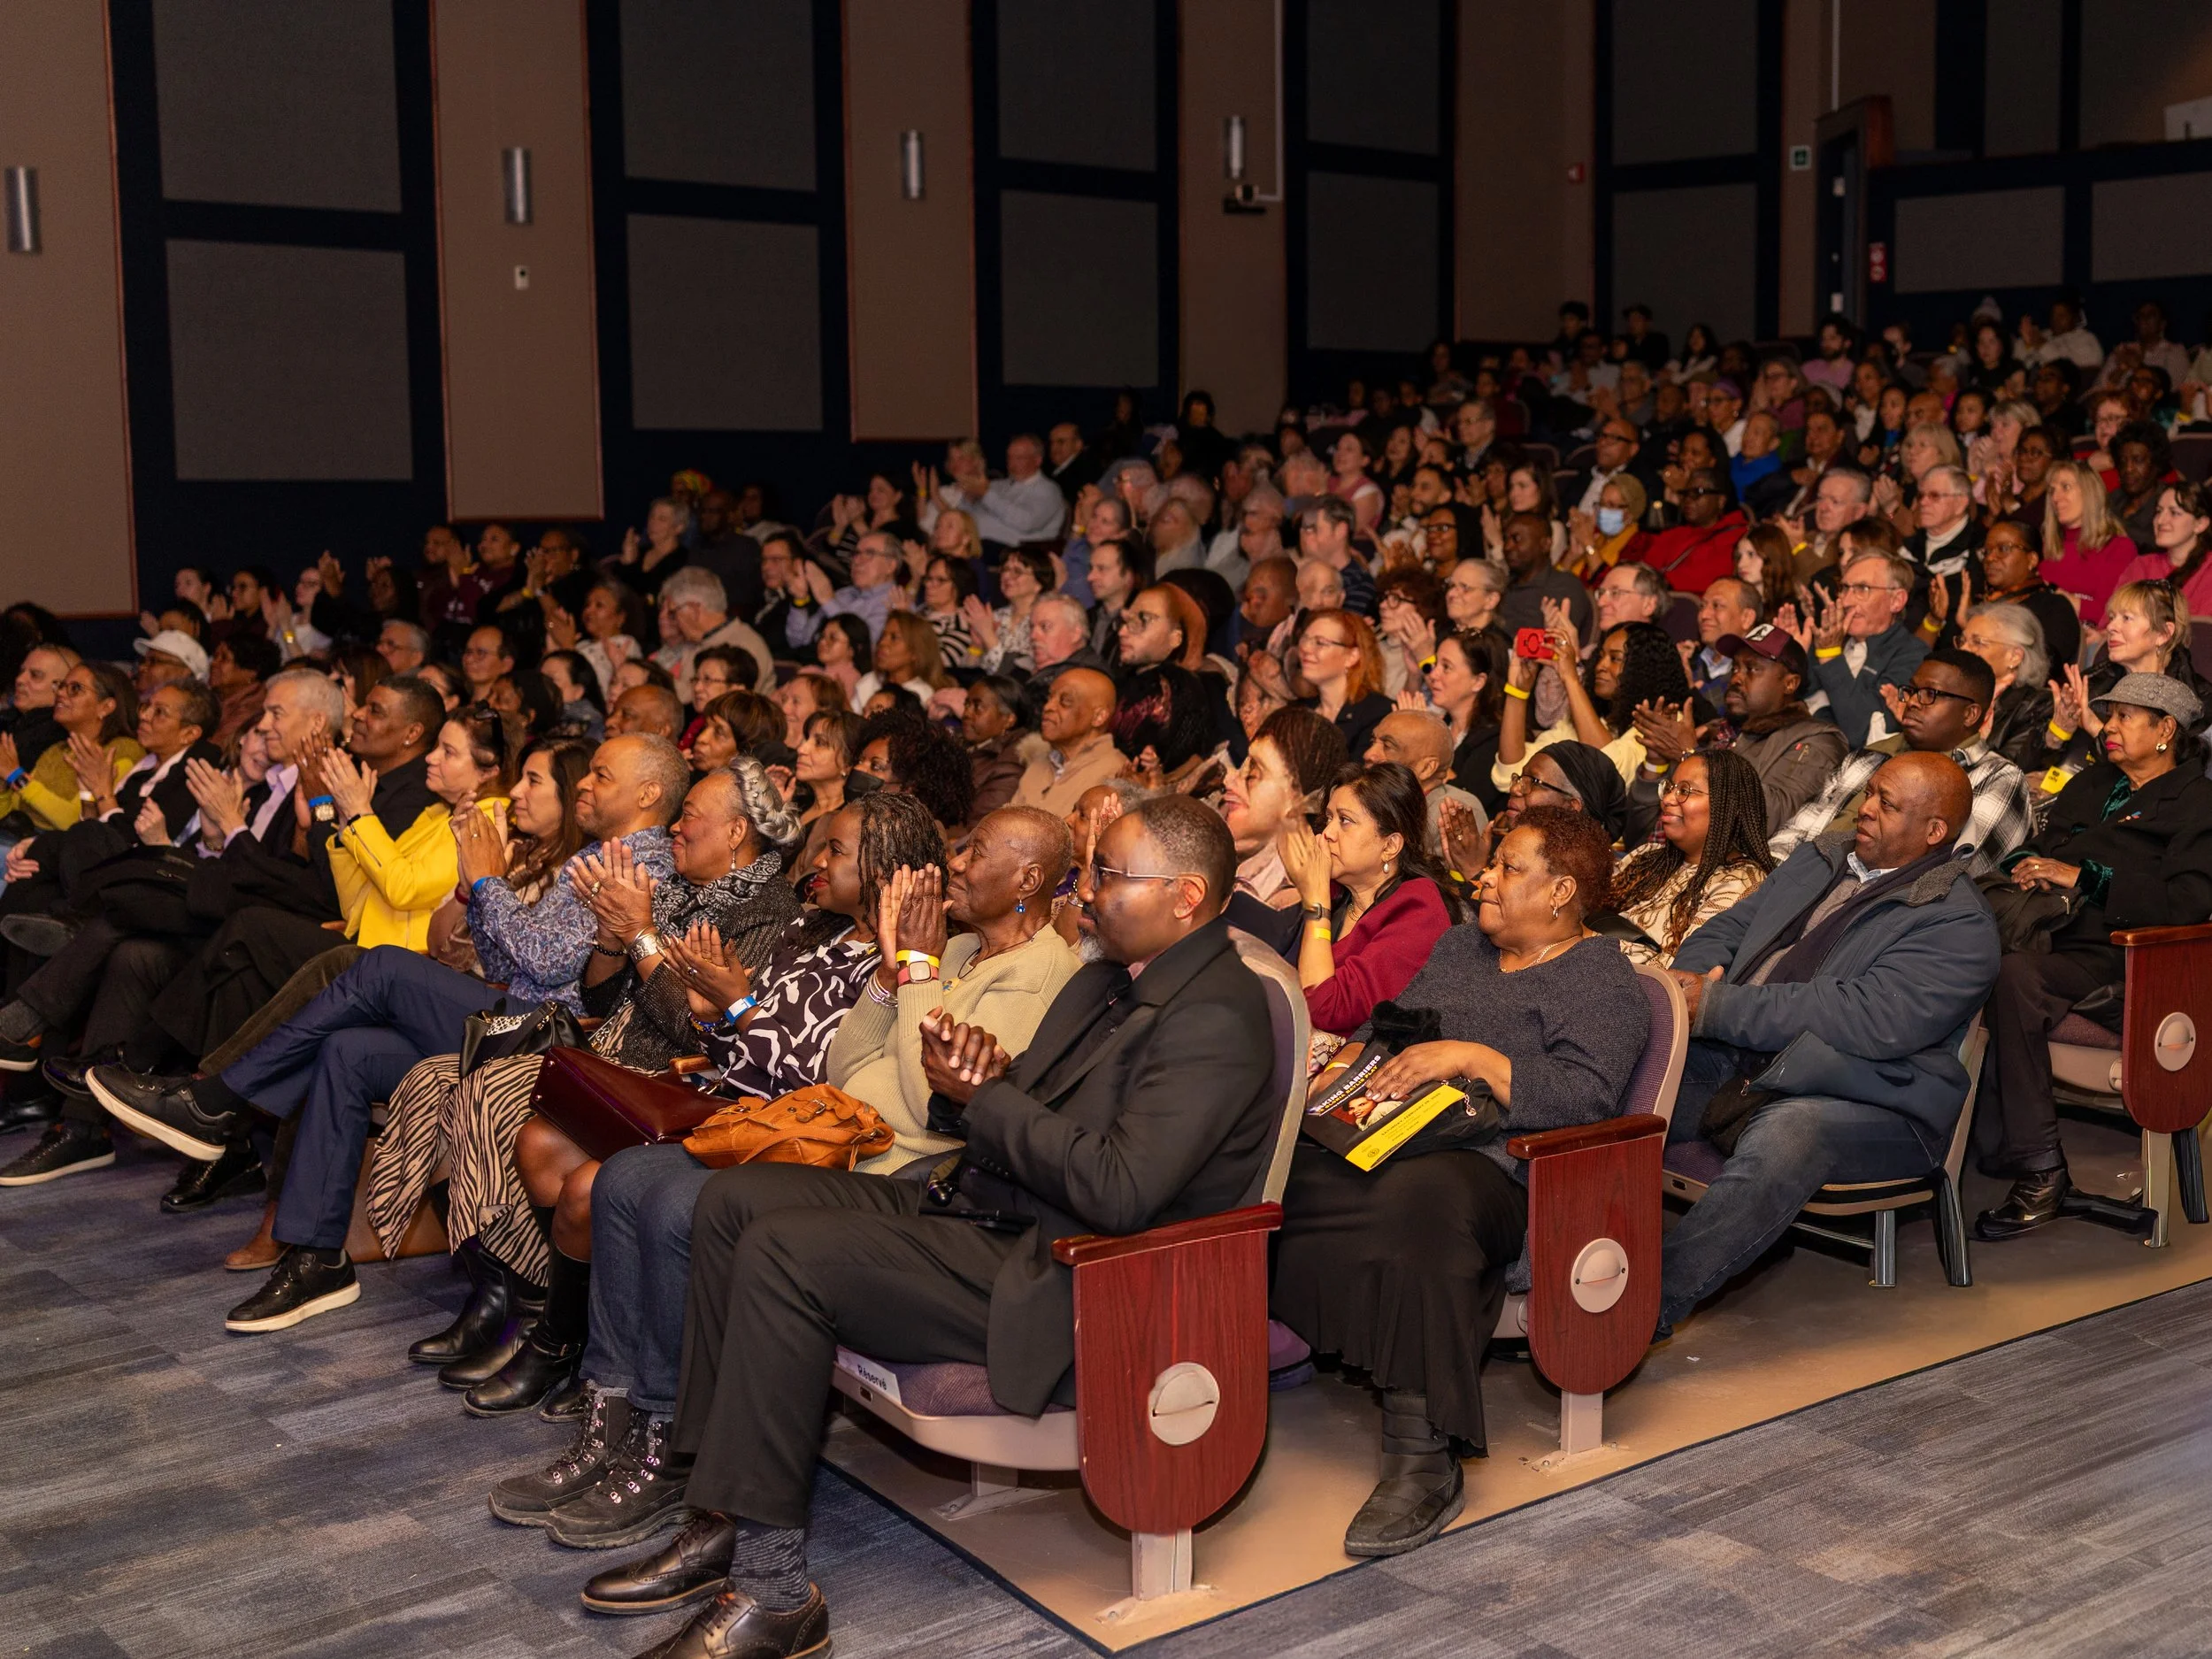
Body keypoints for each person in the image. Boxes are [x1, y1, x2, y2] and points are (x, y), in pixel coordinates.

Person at [556, 798, 1274, 1647]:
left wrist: (992, 1096)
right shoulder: (1108, 982)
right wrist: (983, 1075)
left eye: (1109, 877)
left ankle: (776, 1593)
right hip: (985, 1206)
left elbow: (1120, 1189)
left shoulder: (1216, 1016)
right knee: (730, 1201)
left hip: (1070, 1271)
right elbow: (1027, 1110)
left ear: (1185, 896)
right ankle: (722, 1512)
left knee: (783, 1253)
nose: (1088, 894)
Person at [71, 736, 687, 1323]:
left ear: (648, 793)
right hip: (509, 1018)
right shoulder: (596, 855)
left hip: (544, 1040)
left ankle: (214, 1101)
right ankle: (317, 1258)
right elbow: (508, 961)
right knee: (347, 1050)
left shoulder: (642, 865)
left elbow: (551, 965)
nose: (584, 781)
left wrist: (488, 882)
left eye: (601, 774)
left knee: (381, 966)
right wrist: (479, 891)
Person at [372, 758, 804, 1413]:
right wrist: (612, 937)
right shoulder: (687, 891)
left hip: (670, 1082)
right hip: (610, 1053)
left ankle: (540, 1315)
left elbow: (695, 1032)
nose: (677, 828)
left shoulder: (765, 913)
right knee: (436, 1076)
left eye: (690, 818)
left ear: (738, 832)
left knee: (488, 1089)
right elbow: (606, 990)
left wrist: (639, 933)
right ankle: (501, 1295)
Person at [1272, 808, 1647, 1556]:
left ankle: (1424, 1453)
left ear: (1563, 890)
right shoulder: (1461, 946)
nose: (1485, 877)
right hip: (1405, 1131)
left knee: (1423, 1206)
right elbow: (1399, 1034)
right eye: (1494, 863)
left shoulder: (1602, 975)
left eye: (1509, 867)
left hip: (1505, 1168)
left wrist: (1475, 1057)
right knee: (1282, 1169)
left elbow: (1588, 1096)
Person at [1655, 752, 2001, 1333]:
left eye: (1886, 804)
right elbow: (1730, 928)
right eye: (1869, 792)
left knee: (1791, 1134)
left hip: (1877, 1096)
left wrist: (1715, 1004)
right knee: (1628, 1074)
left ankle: (1639, 1308)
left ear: (1933, 831)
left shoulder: (1958, 925)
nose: (1863, 808)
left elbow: (1855, 1015)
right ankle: (1546, 1258)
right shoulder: (1825, 858)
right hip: (1752, 1058)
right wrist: (1682, 987)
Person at [1972, 675, 2212, 1238]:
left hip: (2124, 959)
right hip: (2046, 928)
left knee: (2011, 975)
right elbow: (2042, 844)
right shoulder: (2096, 782)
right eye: (2110, 715)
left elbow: (2189, 904)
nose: (2107, 727)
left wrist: (2087, 878)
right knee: (1948, 945)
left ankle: (2040, 1170)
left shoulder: (2198, 804)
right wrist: (2026, 866)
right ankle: (1948, 1139)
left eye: (2126, 716)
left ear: (2166, 730)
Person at [1770, 649, 2034, 876]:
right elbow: (1797, 833)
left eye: (1930, 694)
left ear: (1970, 714)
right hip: (1796, 884)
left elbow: (1951, 874)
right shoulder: (1871, 756)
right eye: (1911, 691)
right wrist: (1766, 878)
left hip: (1875, 913)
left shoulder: (1995, 777)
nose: (1912, 703)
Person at [1281, 762, 1456, 1034]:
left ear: (1390, 846)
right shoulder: (1334, 890)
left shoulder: (1418, 910)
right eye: (1328, 818)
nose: (1327, 833)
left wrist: (1316, 904)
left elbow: (1326, 1009)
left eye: (1345, 821)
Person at [1631, 624, 1848, 838]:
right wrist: (1655, 763)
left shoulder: (1818, 739)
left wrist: (1690, 756)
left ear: (1790, 684)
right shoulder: (1715, 733)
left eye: (1752, 669)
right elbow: (1636, 836)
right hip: (1656, 863)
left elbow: (1775, 819)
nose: (1735, 678)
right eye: (1735, 668)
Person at [1608, 751, 1772, 966]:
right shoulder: (1647, 855)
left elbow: (1678, 975)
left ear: (1726, 805)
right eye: (1669, 788)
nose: (1667, 799)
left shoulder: (1740, 883)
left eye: (1684, 791)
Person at [1221, 707, 1348, 925]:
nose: (1228, 780)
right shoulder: (1215, 858)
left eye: (1253, 772)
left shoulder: (1293, 909)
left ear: (1300, 799)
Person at [1801, 550, 1929, 747]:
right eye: (1844, 588)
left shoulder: (1913, 655)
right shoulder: (1832, 637)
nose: (1846, 601)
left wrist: (1830, 657)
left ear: (1896, 600)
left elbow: (1861, 732)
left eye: (1862, 588)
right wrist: (1794, 658)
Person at [0, 663, 142, 834]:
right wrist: (3, 784)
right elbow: (12, 811)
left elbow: (74, 821)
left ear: (106, 706)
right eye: (61, 686)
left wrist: (16, 776)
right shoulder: (58, 749)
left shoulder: (122, 750)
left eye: (75, 689)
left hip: (57, 848)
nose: (60, 693)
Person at [1010, 667, 1124, 818]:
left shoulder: (1114, 773)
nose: (1048, 707)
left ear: (1099, 717)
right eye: (1049, 698)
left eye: (1065, 702)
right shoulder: (1040, 761)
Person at [2039, 460, 2138, 628]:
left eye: (2066, 487)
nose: (2055, 498)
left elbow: (2111, 612)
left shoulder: (2119, 548)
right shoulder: (2047, 549)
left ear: (2089, 492)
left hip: (2092, 639)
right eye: (2052, 491)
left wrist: (2058, 596)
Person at [1424, 628, 1508, 811]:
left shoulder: (1496, 739)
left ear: (1478, 681)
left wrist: (1420, 744)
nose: (1433, 675)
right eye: (1436, 664)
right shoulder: (1441, 725)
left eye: (1446, 667)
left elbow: (1465, 801)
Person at [1294, 607, 1394, 759]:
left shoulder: (1378, 714)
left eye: (1320, 643)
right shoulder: (1299, 711)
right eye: (1305, 639)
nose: (1306, 648)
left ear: (1352, 657)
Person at [1634, 466, 1745, 594]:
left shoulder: (1738, 536)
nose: (1688, 500)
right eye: (1685, 494)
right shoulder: (1674, 534)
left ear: (1721, 501)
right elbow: (1644, 572)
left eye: (1698, 493)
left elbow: (1715, 582)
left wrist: (1666, 581)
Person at [2116, 480, 2212, 620]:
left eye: (2174, 513)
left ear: (2201, 524)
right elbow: (2114, 620)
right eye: (2159, 511)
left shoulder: (2208, 571)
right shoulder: (2142, 565)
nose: (2161, 520)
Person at [958, 674, 1034, 823]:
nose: (966, 714)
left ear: (1009, 719)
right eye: (967, 705)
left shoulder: (1012, 760)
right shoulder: (960, 743)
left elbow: (983, 821)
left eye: (978, 707)